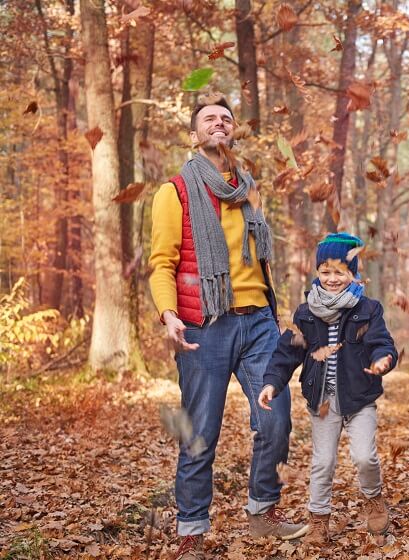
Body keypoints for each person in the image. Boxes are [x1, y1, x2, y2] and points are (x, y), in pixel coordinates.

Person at [148, 93, 307, 560]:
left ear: (232, 130)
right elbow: (162, 263)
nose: (219, 123)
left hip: (257, 322)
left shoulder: (249, 189)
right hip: (205, 327)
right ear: (196, 134)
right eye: (209, 119)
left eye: (226, 118)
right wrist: (169, 313)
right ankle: (192, 532)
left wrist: (275, 315)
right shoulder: (174, 191)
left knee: (276, 420)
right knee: (200, 432)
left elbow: (259, 258)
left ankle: (263, 510)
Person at [258, 232, 398, 546]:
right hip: (322, 399)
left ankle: (373, 498)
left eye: (340, 272)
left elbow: (380, 342)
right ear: (317, 273)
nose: (332, 279)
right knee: (322, 462)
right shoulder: (306, 312)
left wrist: (383, 359)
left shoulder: (368, 308)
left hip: (359, 398)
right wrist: (271, 382)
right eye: (325, 272)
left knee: (364, 457)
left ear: (353, 274)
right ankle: (318, 519)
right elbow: (286, 352)